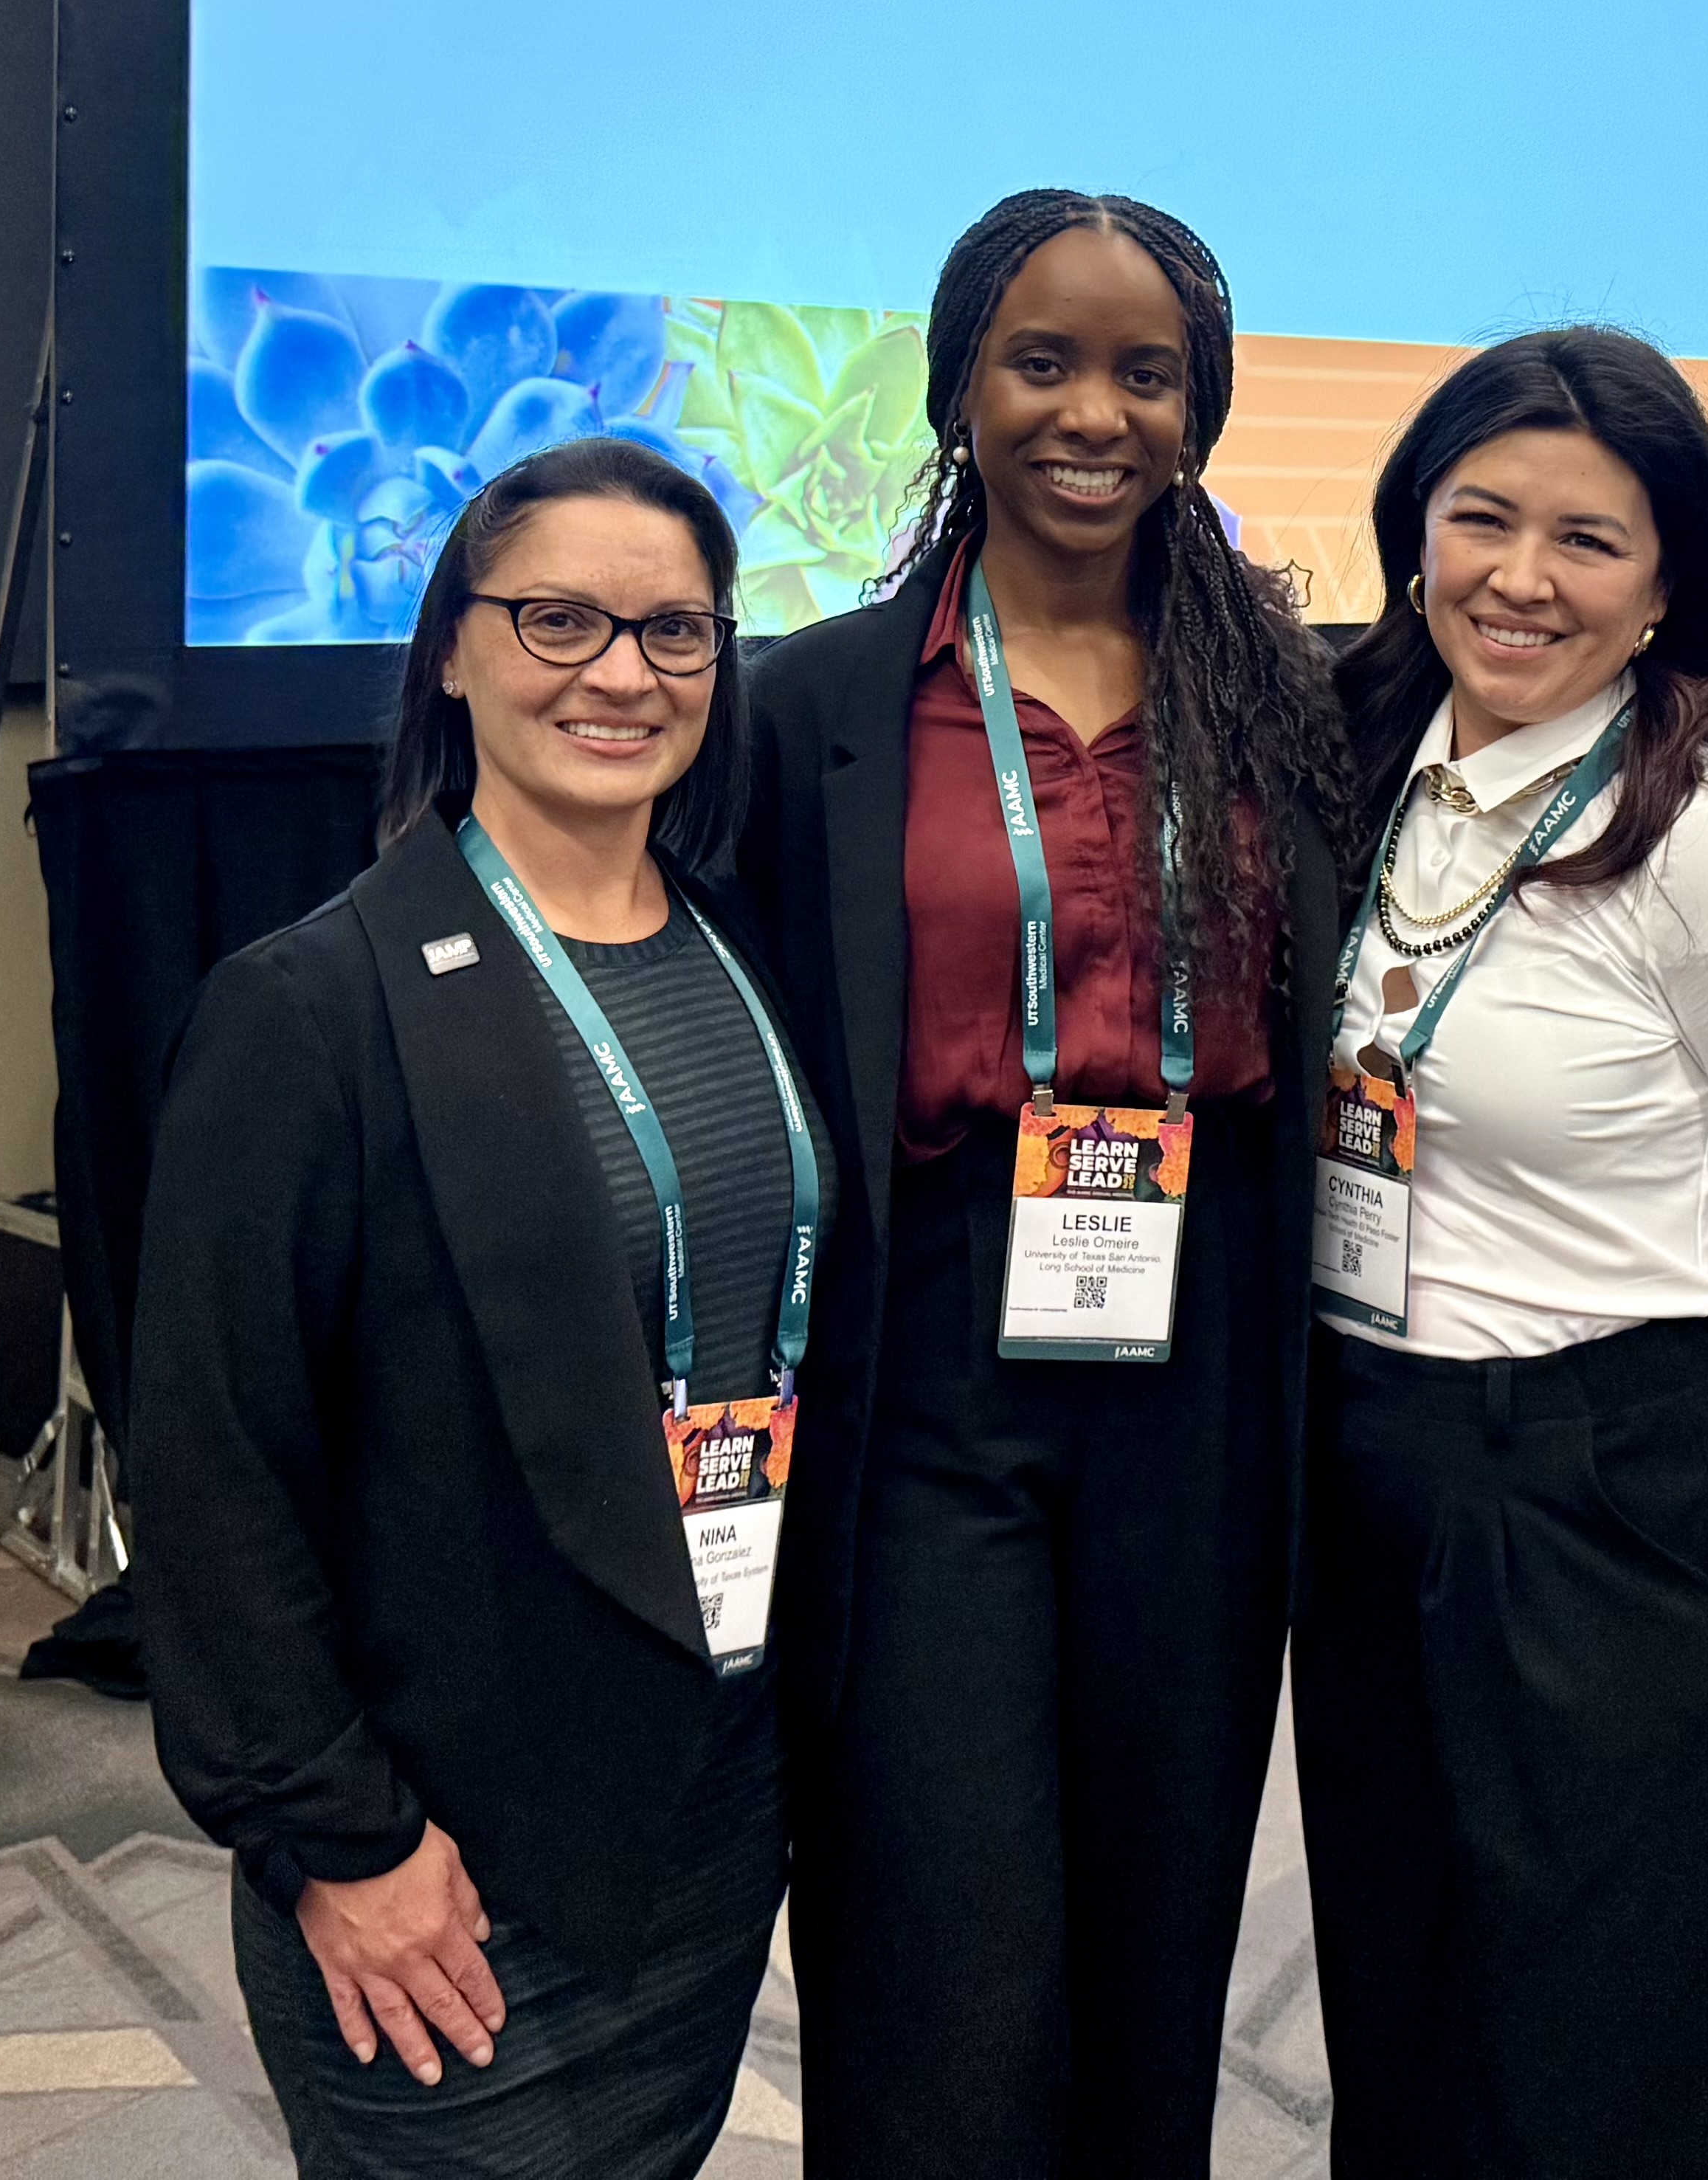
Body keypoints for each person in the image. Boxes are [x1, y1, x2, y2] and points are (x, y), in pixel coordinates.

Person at [1292, 328, 1708, 2179]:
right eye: (1480, 518)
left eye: (1591, 540)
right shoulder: (1364, 775)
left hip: (1617, 1478)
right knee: (1411, 1963)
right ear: (1411, 529)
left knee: (1621, 2003)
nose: (1521, 577)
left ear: (1672, 583)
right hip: (1370, 1458)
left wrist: (1693, 1415)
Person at [734, 187, 1350, 2179]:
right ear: (957, 387)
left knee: (1163, 1916)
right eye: (1043, 359)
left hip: (1205, 1348)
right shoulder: (812, 707)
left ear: (1203, 408)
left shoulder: (1288, 702)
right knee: (941, 1919)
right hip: (930, 1367)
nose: (1095, 411)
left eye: (1146, 372)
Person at [134, 437, 834, 2179]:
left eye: (678, 633)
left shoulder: (760, 955)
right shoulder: (312, 1006)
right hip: (445, 1867)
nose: (622, 672)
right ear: (450, 646)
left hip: (704, 1807)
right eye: (558, 621)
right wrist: (339, 1846)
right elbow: (215, 1471)